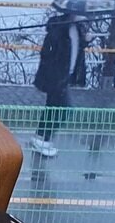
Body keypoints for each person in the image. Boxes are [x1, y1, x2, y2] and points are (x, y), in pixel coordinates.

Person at [32, 8, 88, 158]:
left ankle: (41, 138)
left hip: (65, 76)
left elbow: (76, 50)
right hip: (56, 77)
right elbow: (49, 52)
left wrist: (86, 40)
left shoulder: (76, 28)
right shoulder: (59, 29)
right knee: (63, 109)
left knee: (53, 107)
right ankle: (43, 139)